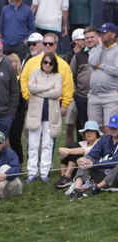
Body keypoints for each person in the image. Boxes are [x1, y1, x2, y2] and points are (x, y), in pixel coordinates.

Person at [25, 52, 63, 182]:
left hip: (50, 115)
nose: (47, 65)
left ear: (54, 65)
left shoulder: (58, 76)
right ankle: (31, 172)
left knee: (47, 144)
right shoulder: (35, 73)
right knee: (33, 144)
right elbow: (31, 87)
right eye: (45, 62)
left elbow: (57, 92)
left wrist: (39, 91)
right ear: (42, 63)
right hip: (36, 114)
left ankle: (44, 172)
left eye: (50, 63)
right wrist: (47, 88)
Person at [20, 33, 74, 120]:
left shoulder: (63, 65)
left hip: (54, 102)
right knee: (33, 130)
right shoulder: (31, 62)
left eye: (51, 44)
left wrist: (64, 105)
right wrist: (27, 97)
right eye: (45, 43)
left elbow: (68, 86)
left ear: (56, 45)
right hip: (34, 100)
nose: (48, 46)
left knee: (51, 132)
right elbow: (24, 80)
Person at [69, 115, 118, 200]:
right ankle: (77, 190)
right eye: (111, 128)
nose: (113, 130)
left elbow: (114, 162)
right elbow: (93, 154)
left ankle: (96, 188)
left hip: (116, 177)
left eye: (115, 128)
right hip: (103, 174)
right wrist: (84, 160)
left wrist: (93, 164)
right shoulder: (105, 139)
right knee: (87, 160)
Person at [87, 23, 118, 134]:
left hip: (110, 95)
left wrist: (102, 66)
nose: (102, 35)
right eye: (101, 33)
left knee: (109, 128)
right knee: (93, 128)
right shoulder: (97, 48)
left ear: (113, 34)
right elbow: (92, 62)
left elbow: (116, 70)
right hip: (94, 95)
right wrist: (100, 46)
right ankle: (96, 151)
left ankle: (109, 151)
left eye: (105, 32)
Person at [55, 120, 100, 188]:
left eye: (91, 132)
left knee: (75, 149)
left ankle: (67, 176)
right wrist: (63, 150)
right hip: (79, 167)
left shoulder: (99, 143)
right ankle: (64, 176)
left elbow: (83, 151)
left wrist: (66, 151)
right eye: (87, 131)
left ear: (96, 133)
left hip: (90, 170)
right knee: (74, 147)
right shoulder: (83, 143)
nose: (88, 133)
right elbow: (62, 149)